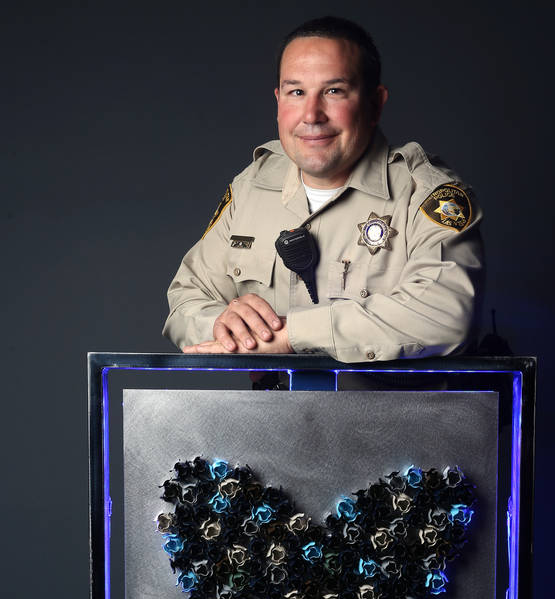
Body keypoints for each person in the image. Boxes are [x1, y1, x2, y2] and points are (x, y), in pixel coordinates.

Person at [163, 17, 483, 364]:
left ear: (375, 103)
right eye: (296, 92)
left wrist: (292, 336)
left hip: (393, 417)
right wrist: (225, 327)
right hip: (267, 417)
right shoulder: (251, 188)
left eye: (334, 91)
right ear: (278, 100)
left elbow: (446, 314)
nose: (312, 115)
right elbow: (187, 299)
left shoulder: (426, 195)